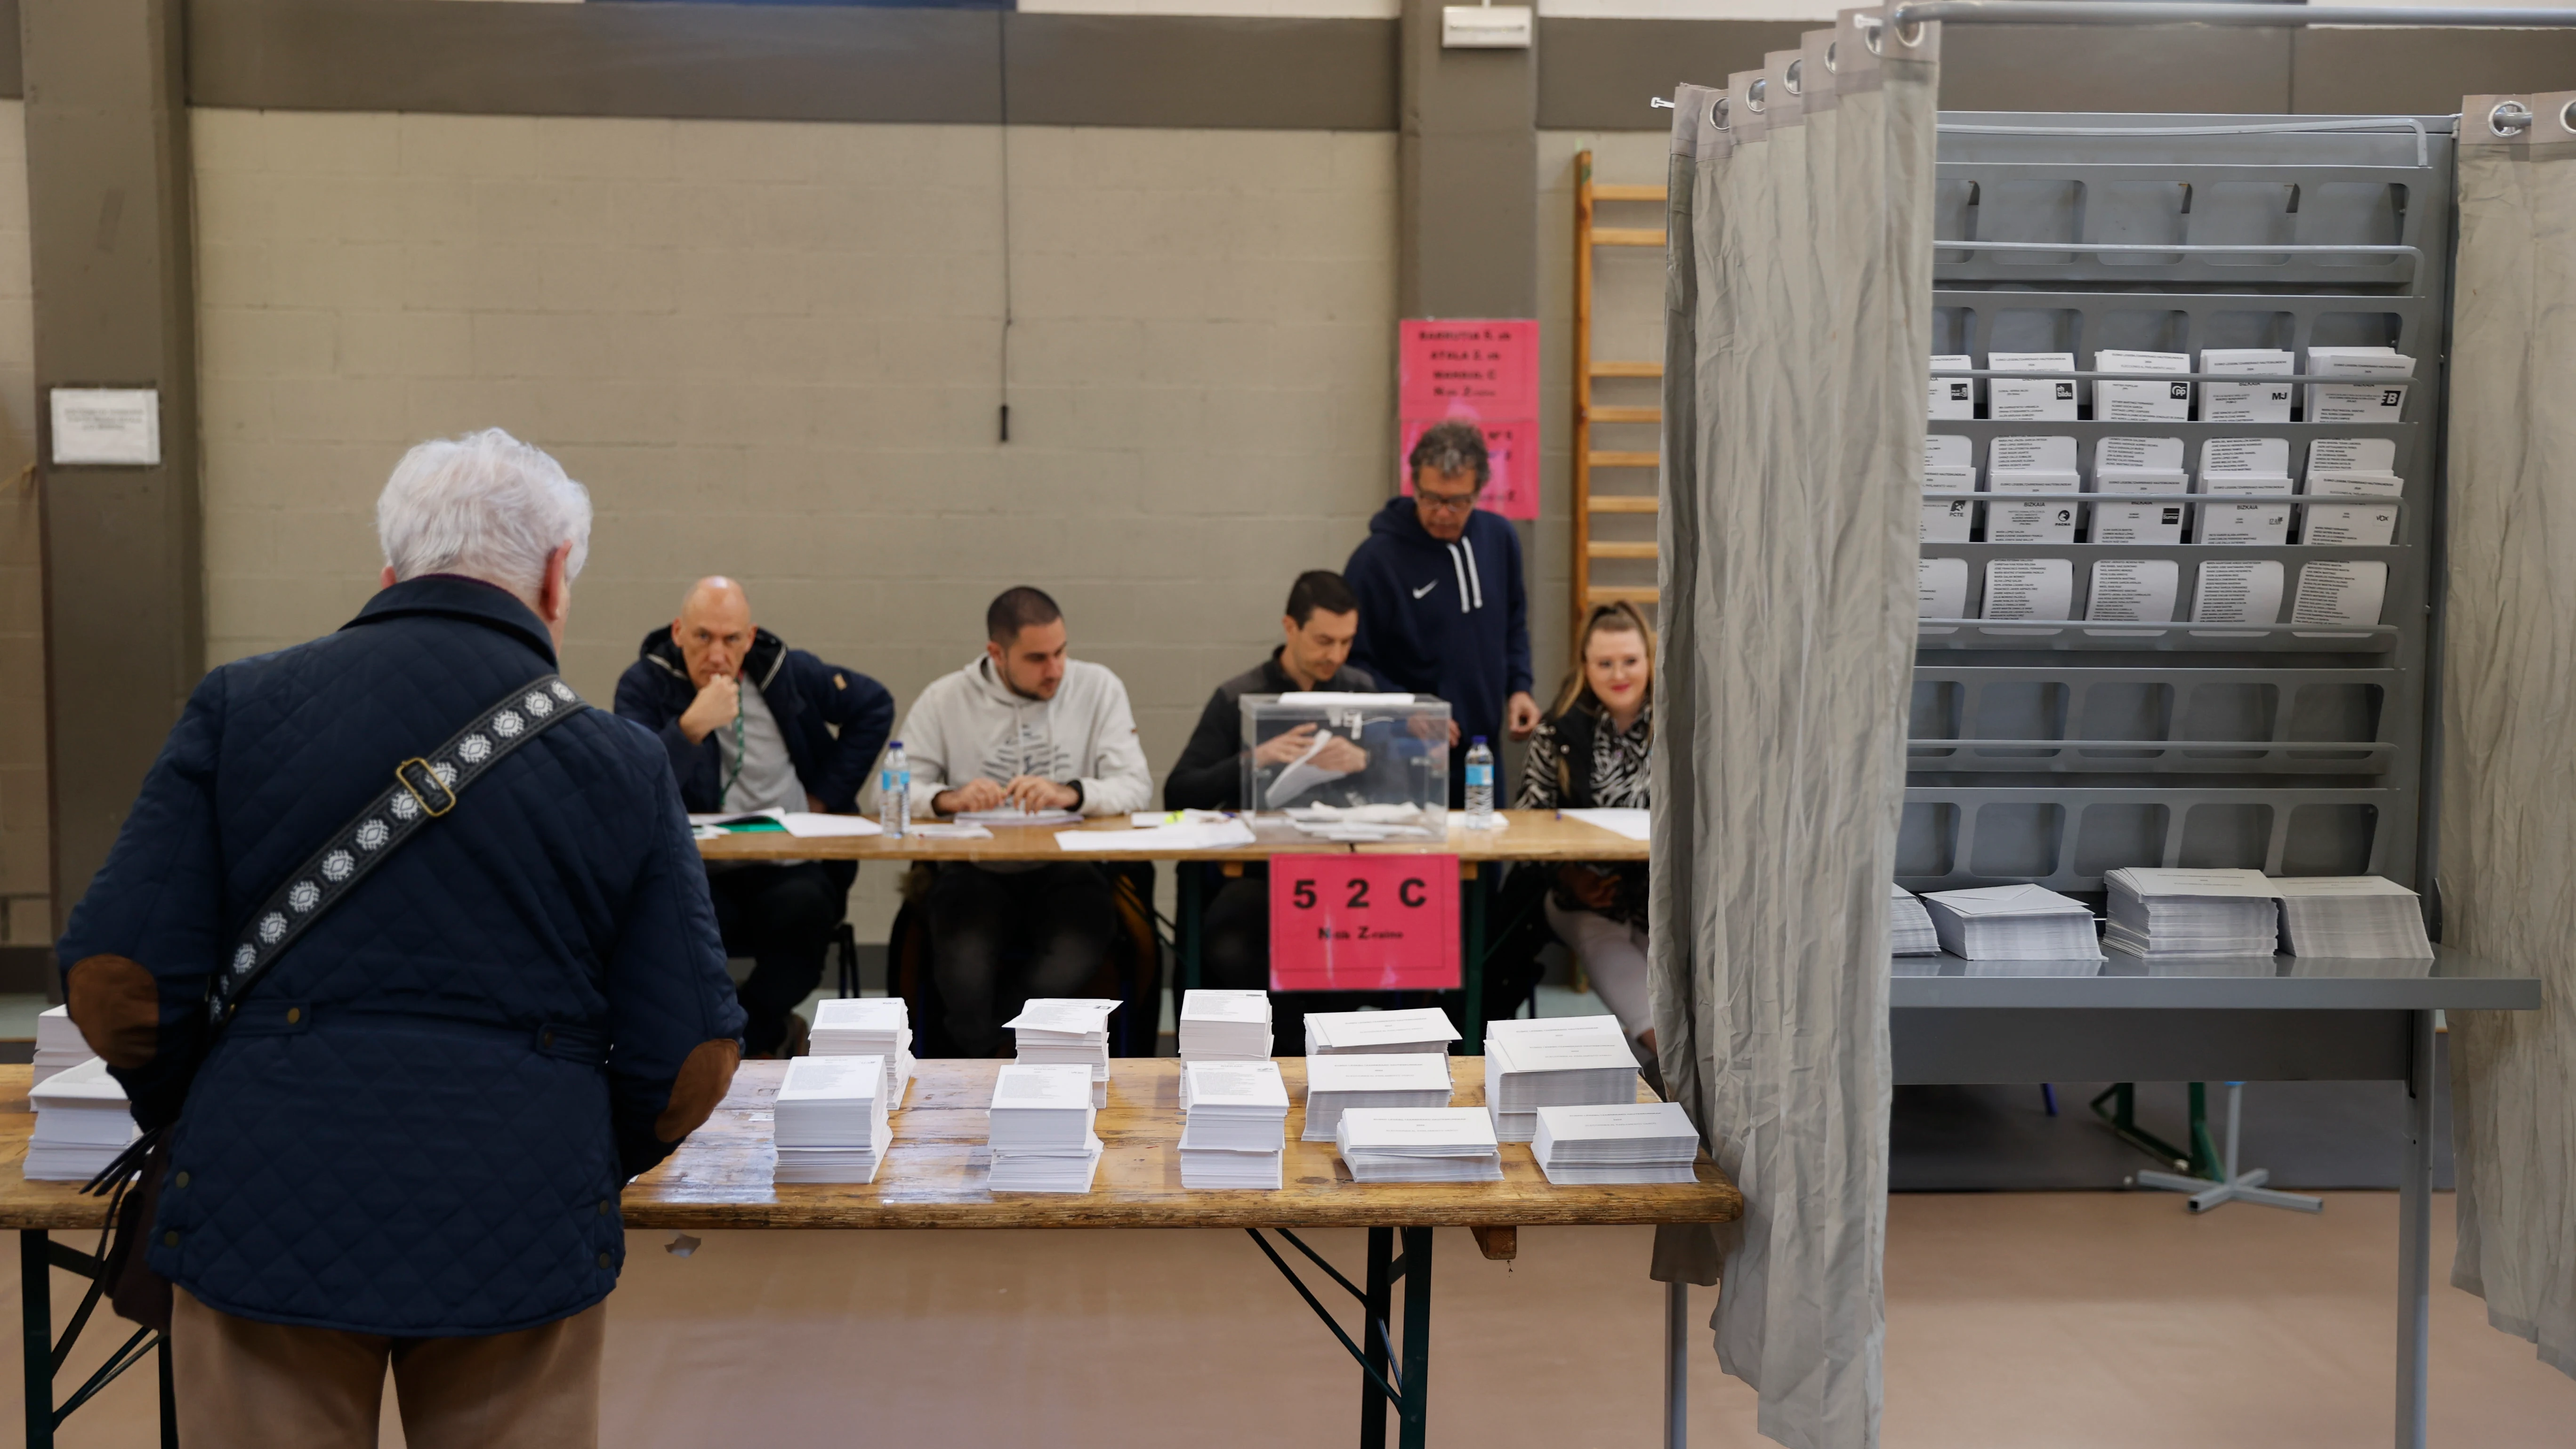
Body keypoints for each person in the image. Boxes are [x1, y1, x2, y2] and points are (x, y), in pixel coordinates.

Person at [56, 429, 743, 1449]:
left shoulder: (241, 708)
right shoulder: (622, 763)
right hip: (520, 1214)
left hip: (261, 1202)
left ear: (390, 569)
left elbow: (116, 981)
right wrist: (579, 1146)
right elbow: (691, 1056)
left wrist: (206, 1102)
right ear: (557, 580)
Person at [613, 577, 894, 1057]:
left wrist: (824, 797)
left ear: (751, 637)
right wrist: (691, 727)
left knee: (806, 916)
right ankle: (740, 1039)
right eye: (703, 637)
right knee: (668, 932)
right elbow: (634, 787)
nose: (718, 654)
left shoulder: (785, 673)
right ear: (678, 632)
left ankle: (743, 1037)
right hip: (698, 872)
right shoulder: (646, 685)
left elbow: (875, 705)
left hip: (786, 868)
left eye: (732, 640)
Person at [897, 587, 1153, 1055]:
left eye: (1060, 652)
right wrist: (948, 798)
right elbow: (889, 790)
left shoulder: (1097, 687)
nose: (1055, 669)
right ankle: (984, 1071)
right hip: (974, 870)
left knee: (1067, 965)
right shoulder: (945, 698)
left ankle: (1001, 1057)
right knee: (964, 977)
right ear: (996, 653)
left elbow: (1136, 785)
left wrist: (1072, 792)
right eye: (1037, 658)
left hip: (1068, 870)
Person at [1165, 570, 1378, 1051]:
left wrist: (1367, 761)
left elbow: (1400, 782)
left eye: (1347, 642)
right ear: (1290, 627)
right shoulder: (1239, 697)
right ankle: (1275, 1057)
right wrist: (1255, 759)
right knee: (1238, 938)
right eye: (1324, 641)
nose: (1336, 656)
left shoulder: (1360, 691)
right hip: (1257, 877)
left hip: (1344, 877)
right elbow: (1178, 792)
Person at [1342, 421, 1539, 794]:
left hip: (1482, 752)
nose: (1443, 513)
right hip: (1401, 755)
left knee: (1484, 851)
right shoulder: (1375, 561)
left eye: (1457, 502)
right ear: (1414, 486)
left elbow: (1514, 623)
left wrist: (1520, 688)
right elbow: (1352, 663)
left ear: (1479, 492)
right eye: (1430, 498)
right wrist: (1407, 709)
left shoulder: (1500, 540)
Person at [1515, 601, 1657, 1067]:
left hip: (1660, 897)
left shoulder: (1680, 727)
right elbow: (1528, 821)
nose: (1619, 674)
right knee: (1605, 937)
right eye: (1605, 663)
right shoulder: (1556, 731)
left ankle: (1658, 1066)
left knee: (1660, 949)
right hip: (1578, 893)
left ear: (1650, 661)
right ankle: (1666, 1053)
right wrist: (1570, 874)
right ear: (1585, 666)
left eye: (1631, 661)